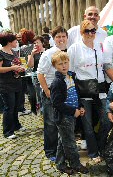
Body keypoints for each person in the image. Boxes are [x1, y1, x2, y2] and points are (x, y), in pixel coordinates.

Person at [68, 20, 110, 163]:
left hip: (100, 89)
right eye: (88, 31)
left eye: (93, 31)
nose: (91, 33)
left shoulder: (99, 46)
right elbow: (70, 72)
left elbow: (104, 67)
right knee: (88, 124)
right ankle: (93, 152)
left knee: (106, 120)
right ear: (81, 32)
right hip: (84, 91)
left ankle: (100, 146)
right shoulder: (74, 48)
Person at [50, 51, 89, 175]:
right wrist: (73, 111)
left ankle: (60, 164)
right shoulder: (57, 82)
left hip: (72, 114)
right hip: (64, 117)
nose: (64, 66)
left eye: (66, 62)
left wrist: (80, 106)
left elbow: (76, 94)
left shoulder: (71, 76)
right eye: (60, 64)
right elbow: (56, 103)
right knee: (70, 143)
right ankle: (75, 164)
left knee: (63, 141)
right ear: (55, 66)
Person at [37, 26, 68, 161]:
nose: (61, 39)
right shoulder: (49, 53)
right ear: (54, 39)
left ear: (67, 37)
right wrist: (47, 91)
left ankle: (61, 148)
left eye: (63, 36)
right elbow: (40, 73)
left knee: (61, 122)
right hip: (51, 92)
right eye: (58, 37)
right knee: (50, 123)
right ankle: (50, 151)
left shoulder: (67, 51)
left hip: (63, 92)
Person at [0, 33, 26, 139]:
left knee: (16, 107)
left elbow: (17, 65)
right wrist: (12, 68)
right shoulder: (1, 53)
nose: (17, 42)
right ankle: (7, 131)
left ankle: (16, 125)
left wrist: (20, 68)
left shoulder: (14, 52)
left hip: (16, 83)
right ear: (9, 42)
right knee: (9, 108)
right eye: (15, 41)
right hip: (6, 85)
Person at [27, 36, 46, 114]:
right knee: (40, 94)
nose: (36, 44)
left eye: (38, 42)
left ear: (42, 43)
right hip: (36, 75)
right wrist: (32, 54)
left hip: (46, 74)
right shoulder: (32, 53)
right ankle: (42, 111)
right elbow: (30, 65)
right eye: (34, 43)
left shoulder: (47, 51)